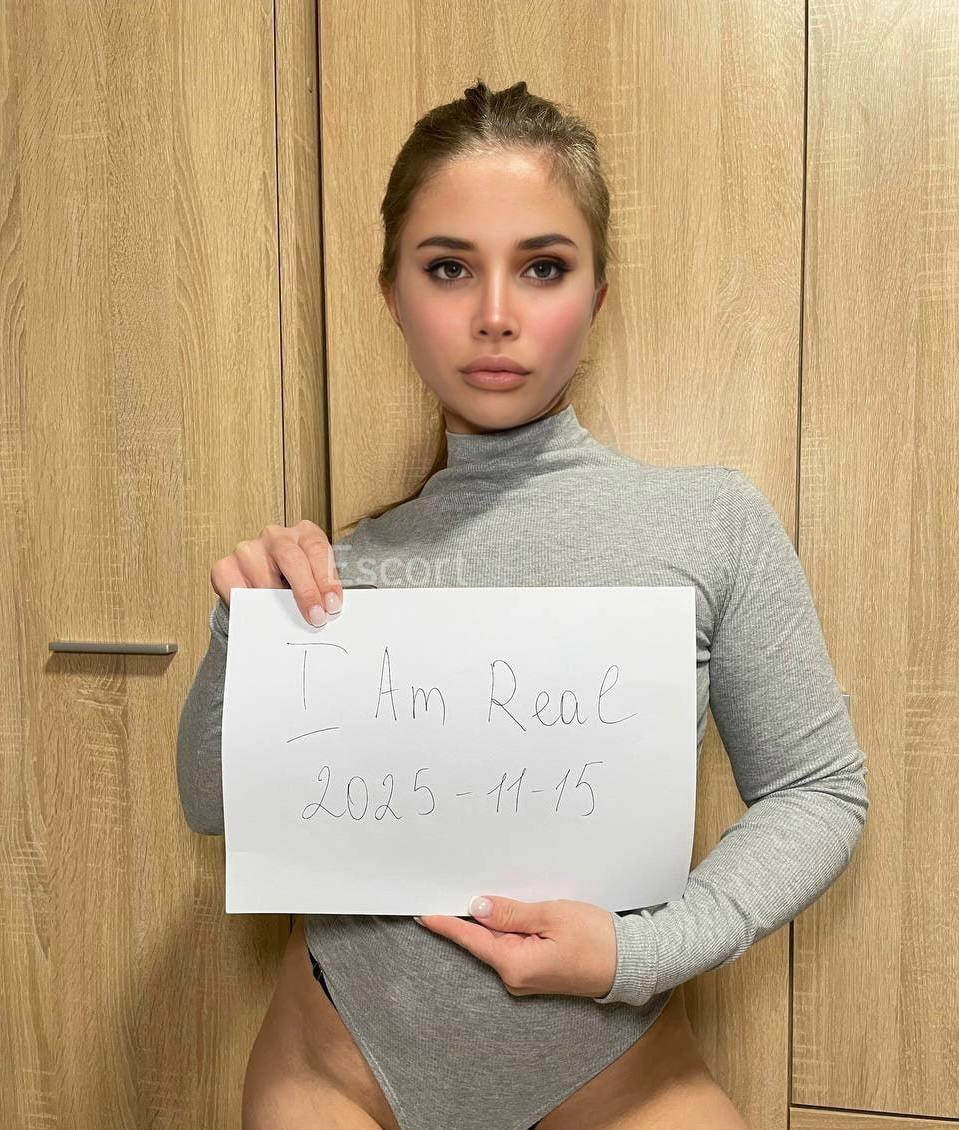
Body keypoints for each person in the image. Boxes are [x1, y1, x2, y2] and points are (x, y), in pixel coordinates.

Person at [176, 80, 869, 1130]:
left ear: (596, 294)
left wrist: (640, 950)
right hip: (335, 1072)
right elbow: (211, 805)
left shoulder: (710, 523)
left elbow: (817, 789)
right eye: (447, 267)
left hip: (621, 1081)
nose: (494, 314)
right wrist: (246, 629)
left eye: (542, 267)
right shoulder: (333, 571)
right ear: (391, 294)